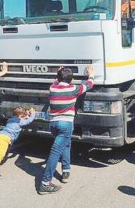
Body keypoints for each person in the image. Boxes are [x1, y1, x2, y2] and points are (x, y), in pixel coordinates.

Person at [38, 65, 95, 195]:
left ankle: (66, 171)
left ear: (58, 78)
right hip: (66, 124)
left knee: (66, 144)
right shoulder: (73, 89)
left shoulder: (53, 88)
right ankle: (45, 183)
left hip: (53, 124)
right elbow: (89, 84)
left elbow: (57, 80)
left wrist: (59, 72)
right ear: (71, 79)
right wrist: (90, 74)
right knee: (55, 152)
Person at [0, 106, 36, 179]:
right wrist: (32, 114)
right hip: (4, 139)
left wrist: (26, 115)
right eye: (23, 116)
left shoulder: (10, 120)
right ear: (21, 116)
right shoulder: (20, 123)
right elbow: (29, 121)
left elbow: (20, 118)